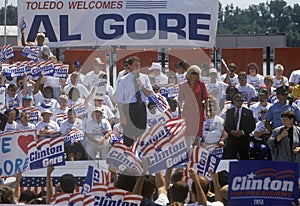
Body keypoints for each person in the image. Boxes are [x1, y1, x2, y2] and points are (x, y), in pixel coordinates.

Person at [114, 56, 152, 147]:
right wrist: (122, 115)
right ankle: (129, 156)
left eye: (139, 65)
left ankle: (140, 155)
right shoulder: (123, 80)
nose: (138, 67)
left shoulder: (145, 78)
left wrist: (142, 86)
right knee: (129, 137)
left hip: (141, 107)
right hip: (128, 108)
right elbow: (119, 100)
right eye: (135, 65)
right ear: (130, 66)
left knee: (141, 135)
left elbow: (149, 93)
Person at [178, 65, 210, 146]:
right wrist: (179, 112)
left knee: (198, 133)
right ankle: (188, 151)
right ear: (189, 74)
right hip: (187, 111)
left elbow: (206, 98)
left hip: (198, 110)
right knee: (187, 133)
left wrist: (208, 110)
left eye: (196, 73)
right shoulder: (183, 85)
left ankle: (196, 150)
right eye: (193, 73)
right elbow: (180, 100)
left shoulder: (201, 84)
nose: (195, 75)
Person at [223, 93, 256, 160]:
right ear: (234, 101)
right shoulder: (229, 112)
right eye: (237, 100)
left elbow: (252, 125)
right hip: (232, 139)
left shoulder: (248, 112)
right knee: (230, 158)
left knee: (244, 159)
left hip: (243, 139)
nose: (239, 102)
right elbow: (226, 125)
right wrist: (231, 131)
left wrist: (243, 132)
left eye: (241, 101)